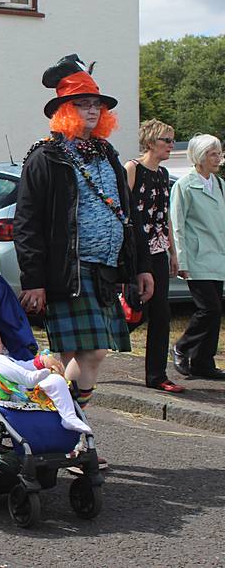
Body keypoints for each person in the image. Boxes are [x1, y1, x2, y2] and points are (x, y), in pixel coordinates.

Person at [15, 55, 153, 430]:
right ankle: (70, 429)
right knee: (90, 353)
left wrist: (139, 266)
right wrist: (34, 281)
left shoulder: (107, 153)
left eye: (97, 104)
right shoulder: (45, 157)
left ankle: (52, 416)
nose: (92, 110)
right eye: (83, 104)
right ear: (64, 110)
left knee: (72, 356)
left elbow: (128, 215)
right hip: (69, 271)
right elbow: (27, 224)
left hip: (105, 270)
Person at [125, 119, 183, 392]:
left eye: (172, 141)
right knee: (136, 309)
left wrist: (172, 251)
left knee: (162, 311)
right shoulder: (133, 169)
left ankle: (157, 375)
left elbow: (165, 215)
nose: (171, 146)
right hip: (137, 248)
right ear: (150, 143)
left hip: (158, 248)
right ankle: (91, 349)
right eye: (166, 141)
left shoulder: (162, 174)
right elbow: (123, 211)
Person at [0, 321, 91, 434]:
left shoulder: (10, 361)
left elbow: (27, 365)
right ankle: (28, 378)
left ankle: (69, 417)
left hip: (31, 393)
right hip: (8, 395)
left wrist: (43, 360)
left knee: (56, 380)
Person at [170, 133, 225, 380]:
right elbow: (177, 224)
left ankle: (203, 362)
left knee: (216, 311)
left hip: (218, 257)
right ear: (200, 157)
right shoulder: (183, 185)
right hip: (196, 258)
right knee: (209, 309)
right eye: (213, 153)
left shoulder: (221, 184)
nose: (219, 157)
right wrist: (181, 260)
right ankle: (182, 347)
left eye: (219, 152)